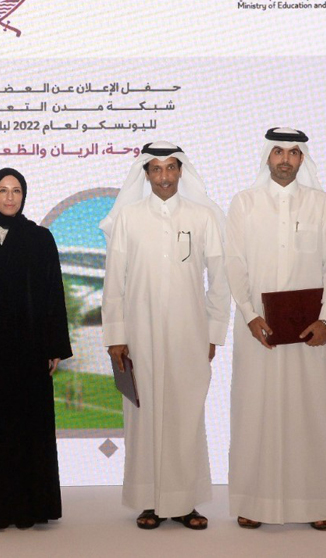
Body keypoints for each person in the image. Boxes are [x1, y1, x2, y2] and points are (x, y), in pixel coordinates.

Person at [100, 141, 231, 530]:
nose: (164, 177)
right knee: (144, 417)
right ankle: (149, 501)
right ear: (145, 174)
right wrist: (116, 336)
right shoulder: (129, 218)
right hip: (139, 335)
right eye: (155, 170)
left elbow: (219, 279)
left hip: (188, 333)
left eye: (170, 168)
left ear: (181, 171)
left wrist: (212, 331)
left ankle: (185, 502)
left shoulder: (203, 217)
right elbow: (115, 283)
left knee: (184, 414)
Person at [225, 128, 326, 530]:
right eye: (278, 151)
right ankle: (252, 502)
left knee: (309, 415)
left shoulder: (321, 204)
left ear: (303, 159)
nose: (285, 159)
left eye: (294, 153)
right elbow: (234, 265)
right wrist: (249, 315)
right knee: (254, 414)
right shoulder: (244, 203)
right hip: (258, 331)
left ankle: (315, 504)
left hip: (311, 334)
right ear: (266, 156)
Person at [0, 167, 72, 529]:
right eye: (2, 191)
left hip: (31, 351)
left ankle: (30, 508)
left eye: (16, 191)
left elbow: (54, 294)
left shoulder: (40, 238)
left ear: (24, 195)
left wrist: (54, 345)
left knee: (29, 429)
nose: (9, 197)